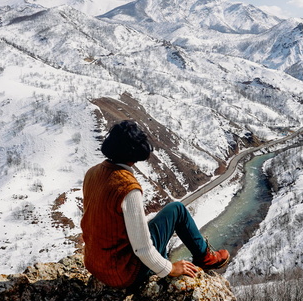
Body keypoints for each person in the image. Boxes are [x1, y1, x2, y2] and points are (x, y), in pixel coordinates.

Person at [81, 120, 230, 289]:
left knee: (159, 220)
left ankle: (201, 255)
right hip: (124, 274)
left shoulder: (92, 173)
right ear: (136, 152)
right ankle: (205, 257)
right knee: (177, 210)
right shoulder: (128, 188)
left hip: (97, 265)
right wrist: (170, 268)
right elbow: (142, 248)